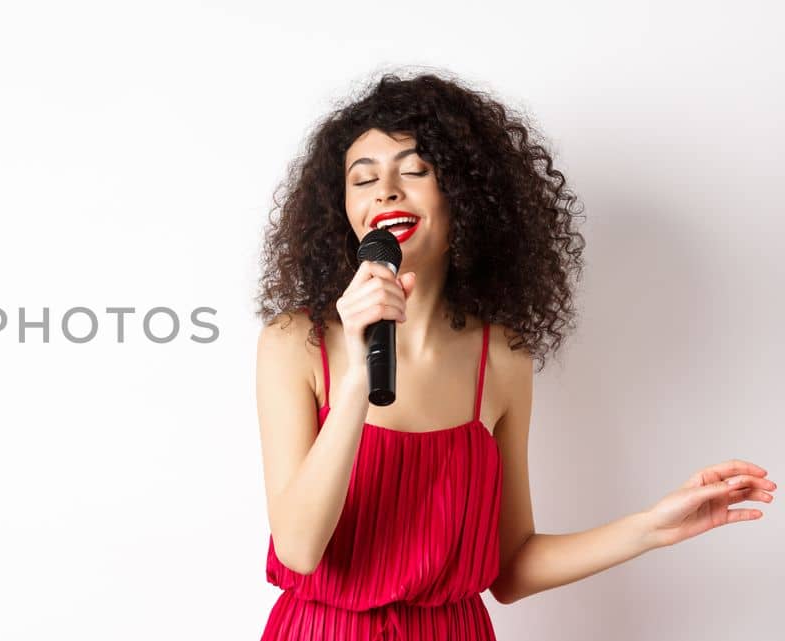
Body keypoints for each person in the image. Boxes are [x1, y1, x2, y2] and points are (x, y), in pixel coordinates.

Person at [252, 70, 772, 640]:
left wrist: (652, 528)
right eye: (363, 178)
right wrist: (357, 378)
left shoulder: (501, 359)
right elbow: (299, 549)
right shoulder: (294, 343)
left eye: (416, 170)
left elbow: (511, 567)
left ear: (466, 198)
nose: (386, 191)